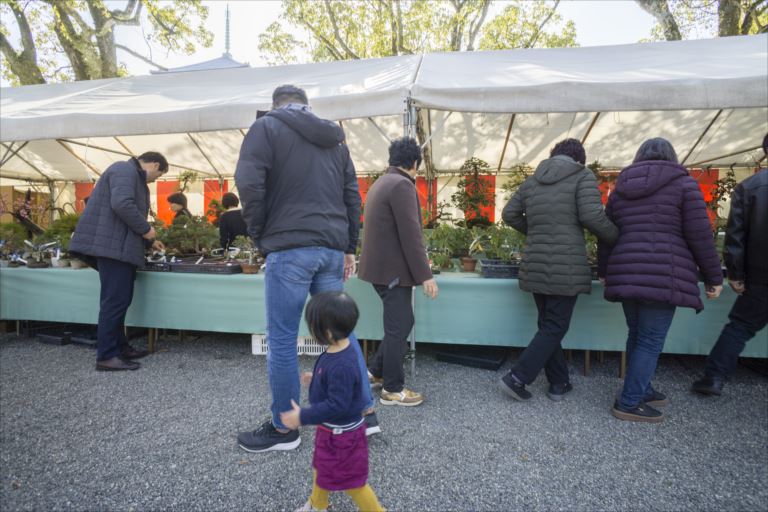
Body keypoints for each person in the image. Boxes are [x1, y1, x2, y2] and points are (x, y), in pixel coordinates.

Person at [234, 84, 377, 453]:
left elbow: (249, 184)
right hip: (330, 247)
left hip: (289, 247)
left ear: (275, 106)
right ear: (306, 106)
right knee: (341, 331)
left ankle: (285, 428)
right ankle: (364, 412)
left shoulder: (265, 128)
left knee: (282, 339)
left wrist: (260, 234)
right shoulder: (336, 140)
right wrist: (348, 246)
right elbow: (351, 195)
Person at [598, 138, 723, 423]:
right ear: (672, 156)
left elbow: (606, 234)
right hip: (664, 272)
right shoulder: (684, 184)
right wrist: (713, 276)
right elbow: (700, 235)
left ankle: (640, 388)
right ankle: (629, 401)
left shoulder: (620, 189)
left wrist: (604, 270)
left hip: (626, 270)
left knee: (637, 334)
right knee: (650, 339)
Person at [499, 138, 618, 402]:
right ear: (579, 159)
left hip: (535, 262)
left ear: (554, 155)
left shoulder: (533, 181)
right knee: (554, 326)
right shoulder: (582, 176)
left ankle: (559, 382)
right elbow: (592, 216)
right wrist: (617, 237)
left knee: (548, 325)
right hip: (566, 264)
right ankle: (517, 378)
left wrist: (537, 232)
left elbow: (509, 213)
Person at [281, 292, 385, 512]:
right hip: (332, 431)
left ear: (327, 332)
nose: (311, 329)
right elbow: (338, 385)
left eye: (312, 325)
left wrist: (302, 416)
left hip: (342, 437)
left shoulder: (342, 365)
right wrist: (317, 378)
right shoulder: (340, 349)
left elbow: (337, 405)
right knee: (321, 467)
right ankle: (318, 504)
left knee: (353, 483)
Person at [69, 152, 168, 371]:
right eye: (159, 175)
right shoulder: (124, 169)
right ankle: (106, 355)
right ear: (154, 164)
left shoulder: (129, 173)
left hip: (117, 248)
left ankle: (120, 347)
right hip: (113, 250)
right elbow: (122, 204)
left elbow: (121, 214)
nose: (155, 180)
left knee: (120, 301)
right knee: (114, 302)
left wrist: (150, 242)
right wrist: (147, 230)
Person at [358, 137, 438, 406]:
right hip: (392, 271)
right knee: (399, 325)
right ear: (415, 162)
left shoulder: (381, 182)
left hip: (380, 269)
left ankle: (375, 371)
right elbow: (411, 235)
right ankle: (392, 389)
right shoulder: (402, 185)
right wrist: (426, 275)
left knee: (401, 323)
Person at [692, 134, 768, 396]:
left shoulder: (750, 187)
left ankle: (714, 378)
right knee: (739, 327)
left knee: (740, 327)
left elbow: (736, 236)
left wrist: (735, 274)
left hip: (761, 276)